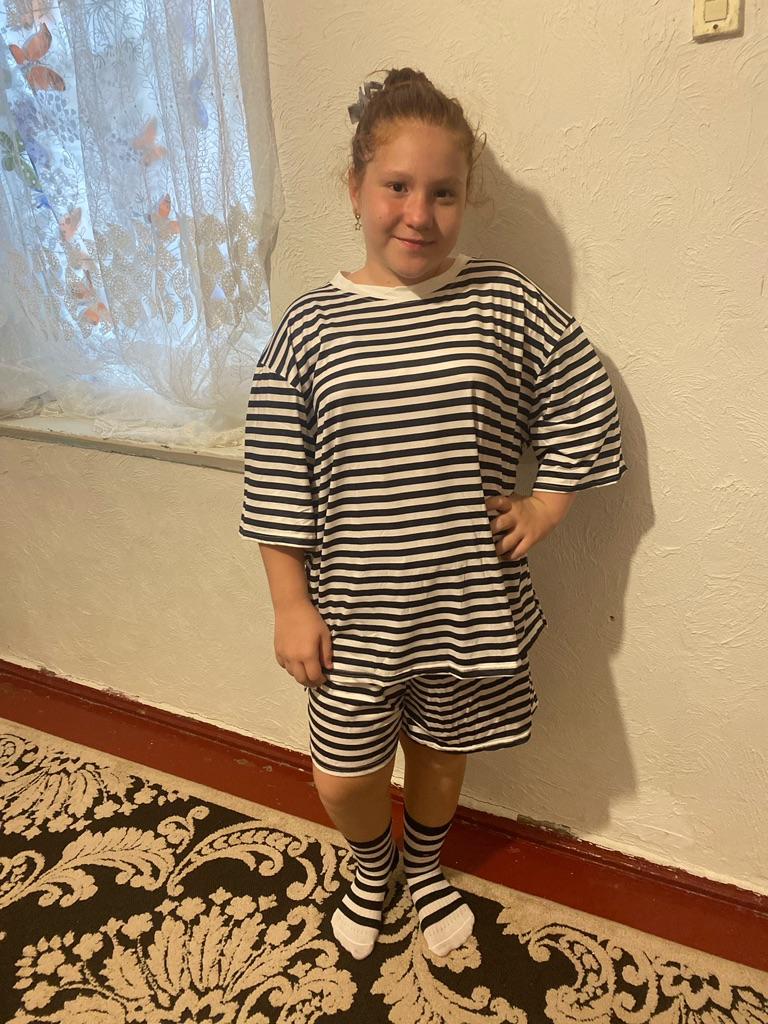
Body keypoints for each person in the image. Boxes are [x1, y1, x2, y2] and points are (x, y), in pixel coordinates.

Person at [239, 67, 628, 961]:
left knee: (443, 757)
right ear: (355, 188)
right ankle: (371, 864)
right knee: (344, 775)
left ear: (466, 199)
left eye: (443, 193)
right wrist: (290, 603)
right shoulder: (309, 328)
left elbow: (584, 395)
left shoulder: (502, 302)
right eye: (397, 187)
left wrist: (548, 502)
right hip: (352, 616)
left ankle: (423, 865)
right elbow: (276, 475)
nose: (418, 213)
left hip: (467, 608)